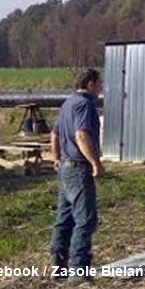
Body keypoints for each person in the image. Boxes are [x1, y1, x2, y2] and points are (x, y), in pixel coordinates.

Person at [49, 68, 103, 275]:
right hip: (79, 168)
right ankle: (79, 269)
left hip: (65, 167)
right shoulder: (85, 105)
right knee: (85, 218)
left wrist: (56, 158)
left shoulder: (68, 103)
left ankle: (59, 264)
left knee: (65, 217)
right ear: (90, 84)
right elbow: (81, 135)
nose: (101, 88)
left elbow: (54, 135)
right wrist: (95, 163)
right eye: (99, 83)